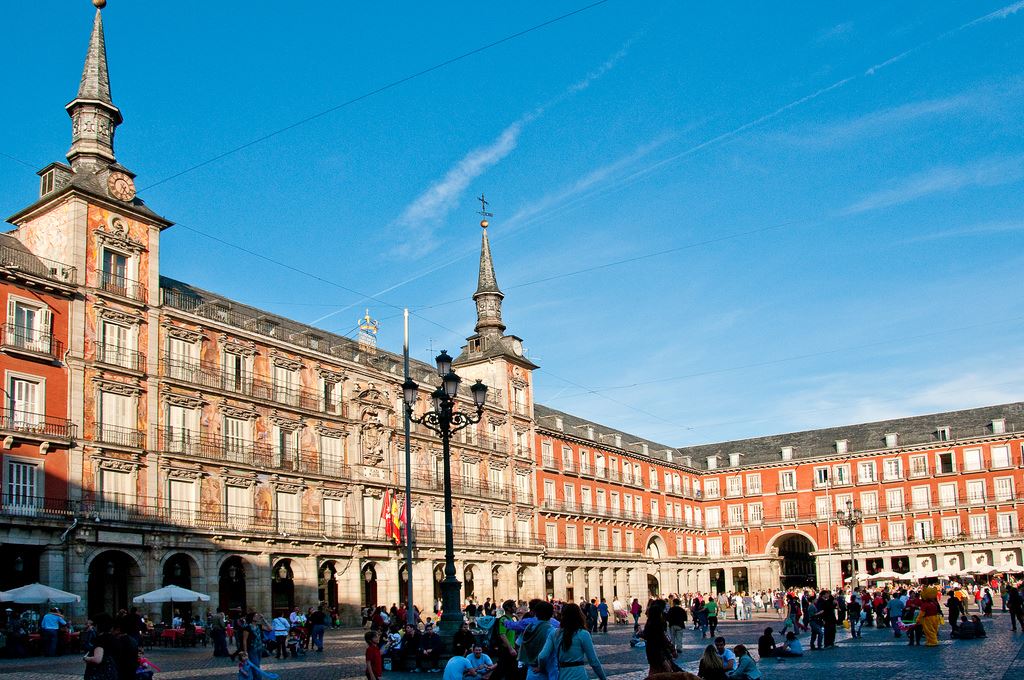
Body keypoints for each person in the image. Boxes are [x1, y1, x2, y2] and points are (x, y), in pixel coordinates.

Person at [538, 602, 607, 680]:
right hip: (580, 675)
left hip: (563, 675)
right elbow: (593, 661)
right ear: (579, 616)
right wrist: (603, 678)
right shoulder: (583, 634)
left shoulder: (554, 634)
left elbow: (542, 656)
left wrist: (541, 668)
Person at [641, 603, 675, 675]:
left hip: (651, 650)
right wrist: (672, 650)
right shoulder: (659, 624)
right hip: (658, 651)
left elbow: (645, 635)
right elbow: (664, 638)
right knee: (667, 670)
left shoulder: (649, 624)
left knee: (654, 670)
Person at [83, 613, 118, 679]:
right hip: (112, 671)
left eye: (94, 625)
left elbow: (97, 659)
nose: (93, 627)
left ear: (98, 625)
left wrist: (86, 658)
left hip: (101, 672)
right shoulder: (113, 637)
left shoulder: (100, 639)